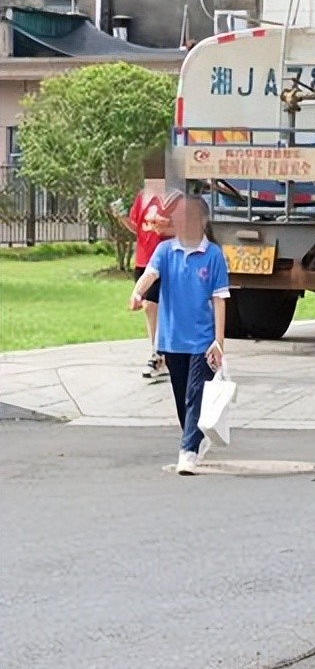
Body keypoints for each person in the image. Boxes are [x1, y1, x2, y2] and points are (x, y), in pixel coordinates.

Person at [127, 195, 228, 476]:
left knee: (195, 393)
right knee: (182, 394)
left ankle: (188, 451)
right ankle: (194, 435)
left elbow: (220, 300)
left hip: (202, 339)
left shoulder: (213, 255)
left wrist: (219, 343)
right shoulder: (164, 251)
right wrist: (136, 293)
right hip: (172, 338)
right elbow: (149, 276)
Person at [117, 181, 177, 379]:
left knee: (154, 305)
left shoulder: (173, 198)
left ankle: (160, 355)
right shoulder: (142, 198)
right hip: (143, 259)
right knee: (149, 307)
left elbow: (183, 229)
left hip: (164, 259)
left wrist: (166, 227)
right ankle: (158, 353)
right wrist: (122, 217)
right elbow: (138, 227)